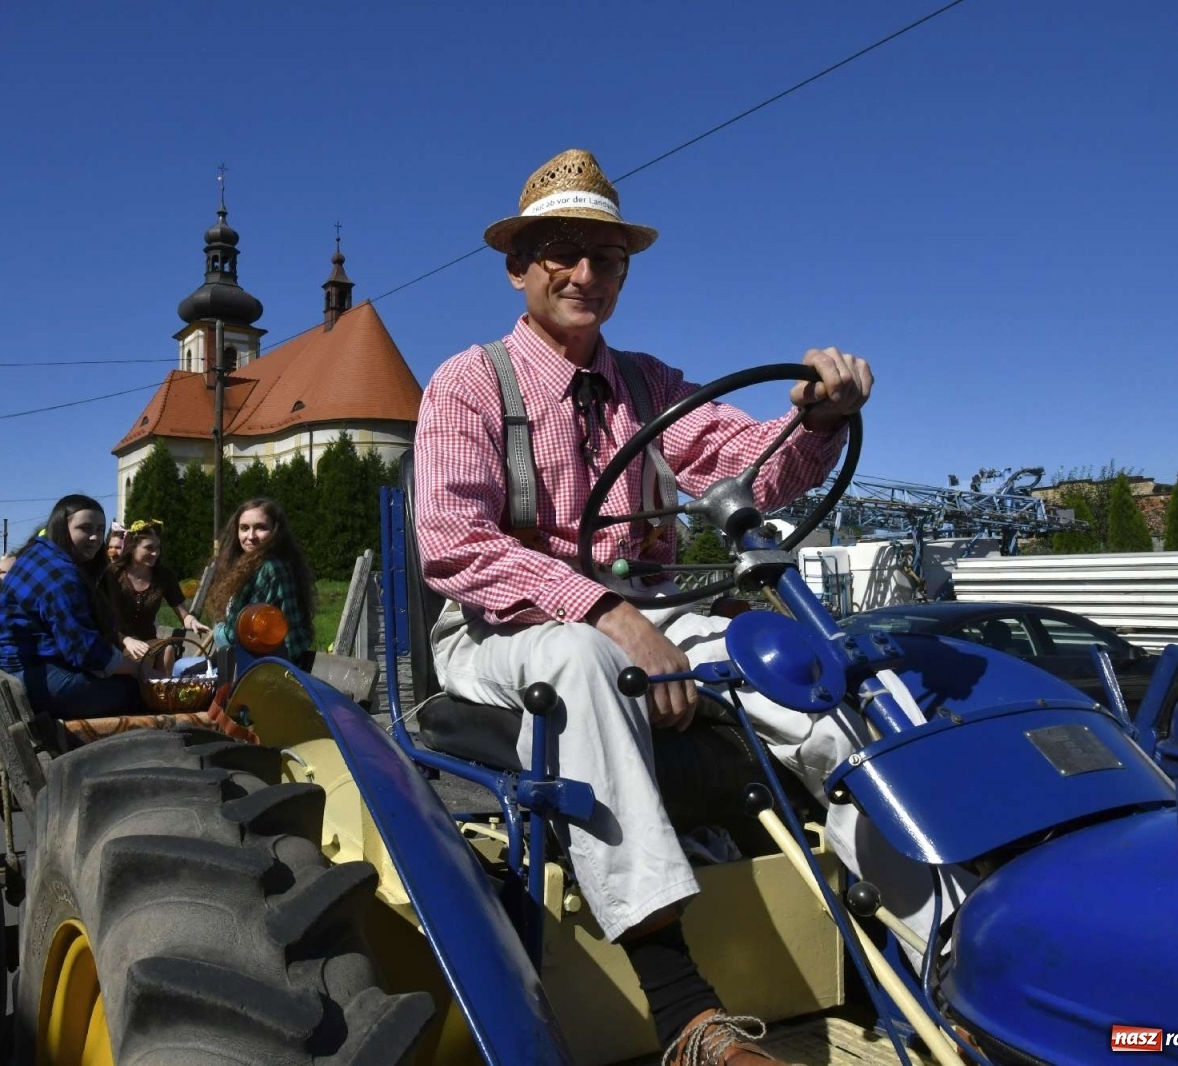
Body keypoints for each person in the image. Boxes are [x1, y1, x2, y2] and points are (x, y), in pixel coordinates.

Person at [414, 149, 873, 1064]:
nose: (585, 273)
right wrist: (603, 612)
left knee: (806, 674)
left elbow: (756, 470)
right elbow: (452, 543)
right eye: (561, 251)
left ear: (624, 273)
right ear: (519, 265)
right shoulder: (468, 384)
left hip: (645, 617)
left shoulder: (653, 388)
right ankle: (684, 1014)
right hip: (497, 630)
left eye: (607, 257)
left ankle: (920, 933)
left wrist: (817, 420)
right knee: (585, 659)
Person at [0, 494, 144, 719]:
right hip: (32, 677)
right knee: (137, 692)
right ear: (62, 526)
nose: (95, 537)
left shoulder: (36, 553)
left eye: (100, 529)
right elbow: (85, 650)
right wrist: (139, 670)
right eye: (85, 528)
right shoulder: (60, 575)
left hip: (11, 669)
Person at [203, 499, 317, 671]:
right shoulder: (249, 566)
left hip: (269, 669)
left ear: (276, 531)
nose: (250, 536)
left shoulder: (271, 569)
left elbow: (246, 633)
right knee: (182, 669)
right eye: (244, 528)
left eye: (260, 527)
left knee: (181, 671)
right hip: (248, 662)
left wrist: (220, 631)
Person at [97, 520, 210, 668]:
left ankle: (164, 689)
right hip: (116, 642)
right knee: (146, 658)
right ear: (132, 548)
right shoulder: (112, 575)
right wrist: (124, 640)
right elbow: (99, 619)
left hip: (148, 642)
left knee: (167, 650)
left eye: (158, 547)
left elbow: (184, 615)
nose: (155, 553)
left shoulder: (164, 576)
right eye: (149, 548)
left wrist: (192, 621)